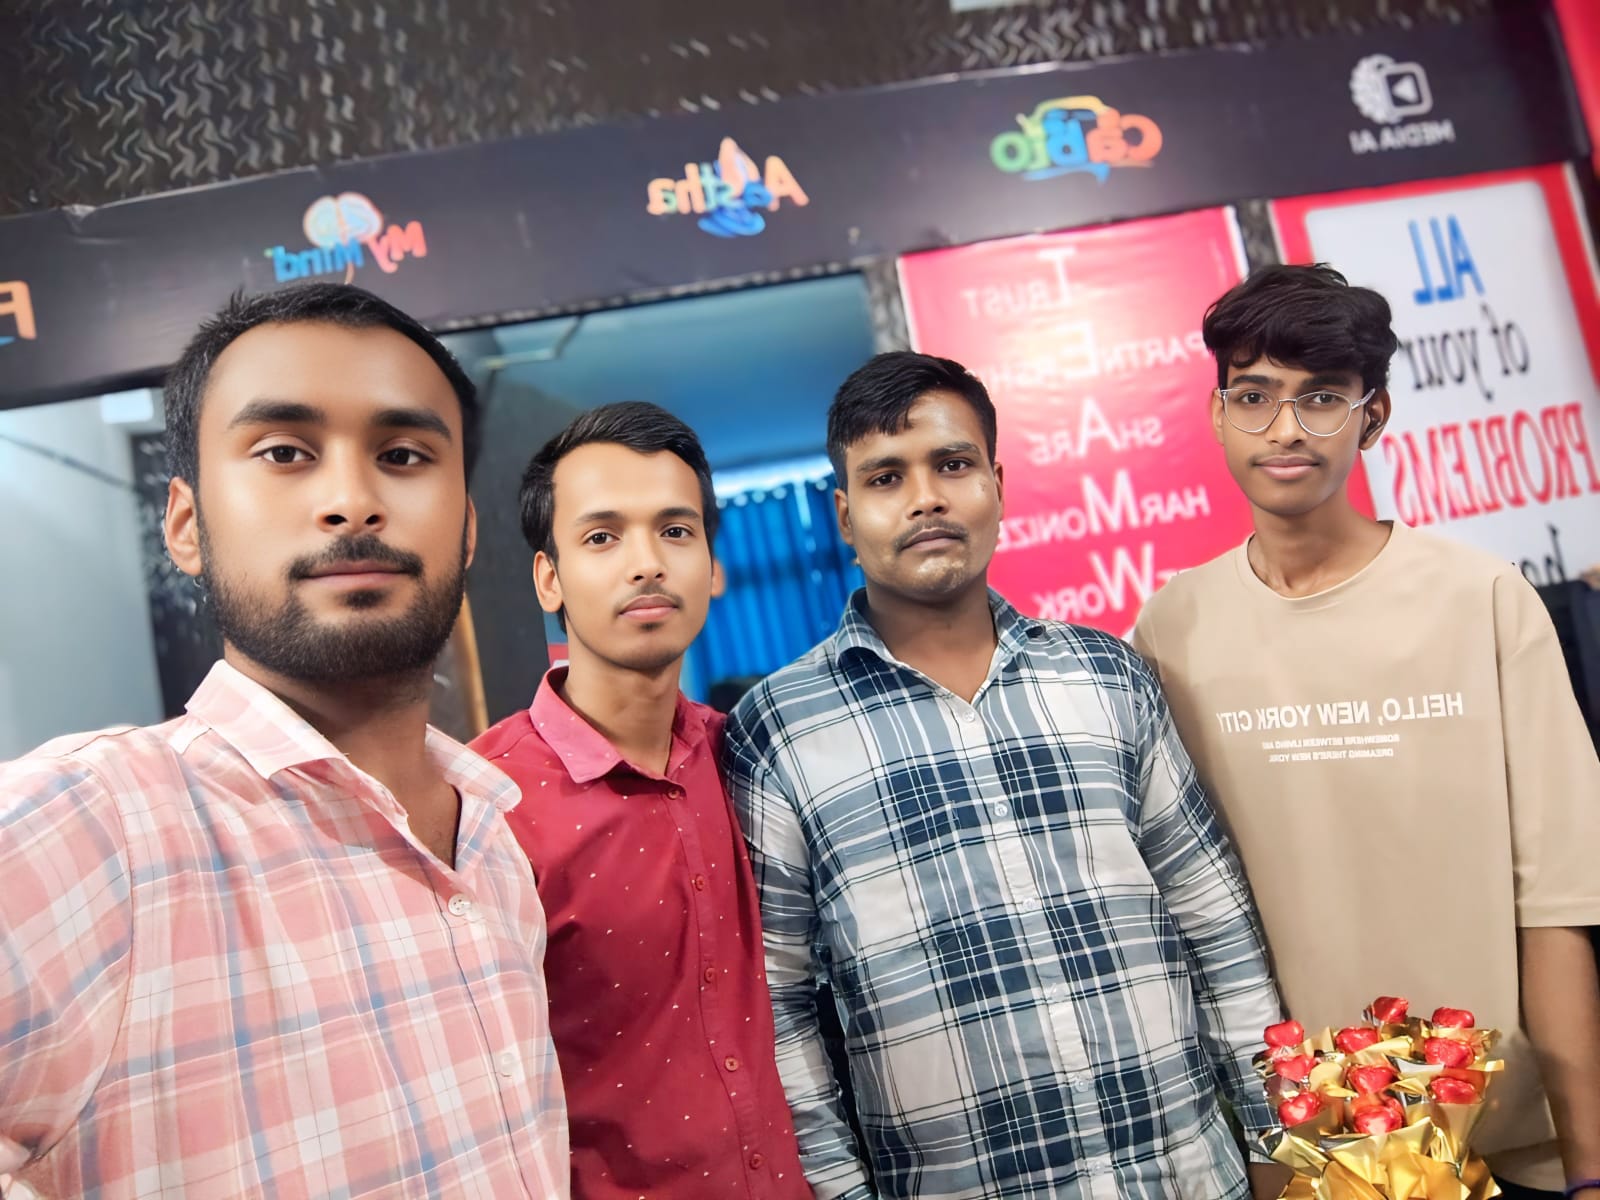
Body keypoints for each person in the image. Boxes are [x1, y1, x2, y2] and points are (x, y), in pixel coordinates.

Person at [0, 284, 569, 1199]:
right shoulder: (87, 831)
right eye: (284, 452)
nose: (352, 500)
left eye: (402, 455)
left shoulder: (494, 847)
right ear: (186, 525)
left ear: (466, 529)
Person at [723, 351, 1285, 1199]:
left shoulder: (1107, 676)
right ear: (844, 516)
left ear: (997, 484)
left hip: (1188, 1176)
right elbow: (778, 1005)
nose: (926, 498)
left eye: (952, 465)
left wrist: (1278, 1140)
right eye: (886, 477)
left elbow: (1214, 920)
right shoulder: (781, 731)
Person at [1131, 263, 1600, 1200]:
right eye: (1254, 397)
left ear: (1372, 415)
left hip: (1500, 1146)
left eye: (1321, 398)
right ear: (1218, 414)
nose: (1286, 429)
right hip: (1300, 1154)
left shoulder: (1482, 599)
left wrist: (1589, 1169)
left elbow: (1556, 903)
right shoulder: (1168, 632)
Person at [471, 402, 810, 1199]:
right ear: (548, 579)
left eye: (675, 530)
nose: (647, 563)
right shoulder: (484, 802)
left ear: (714, 566)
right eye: (602, 537)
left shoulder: (755, 760)